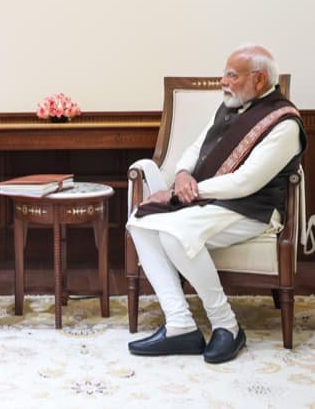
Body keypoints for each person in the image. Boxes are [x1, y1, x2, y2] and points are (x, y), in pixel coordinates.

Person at [126, 45, 307, 364]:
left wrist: (178, 193)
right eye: (225, 73)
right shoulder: (229, 107)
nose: (223, 81)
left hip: (252, 210)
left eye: (232, 75)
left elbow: (245, 183)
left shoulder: (285, 123)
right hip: (210, 204)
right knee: (139, 222)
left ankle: (227, 326)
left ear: (259, 79)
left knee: (175, 234)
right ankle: (180, 326)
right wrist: (182, 174)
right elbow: (196, 148)